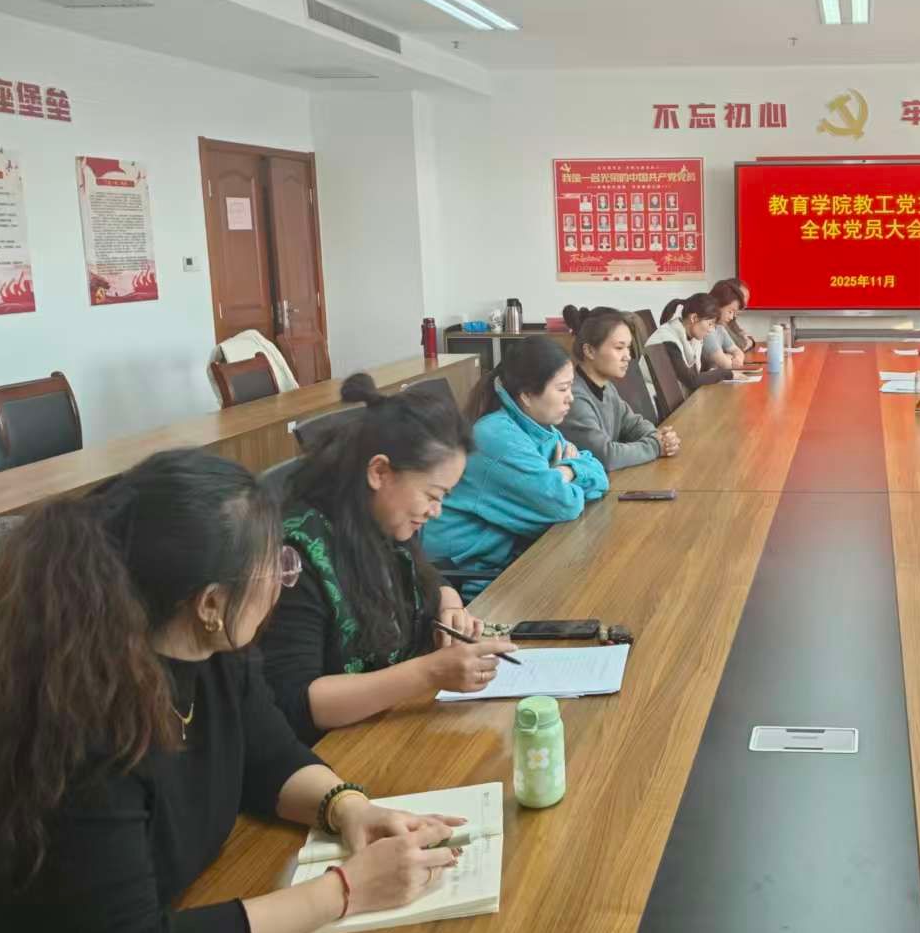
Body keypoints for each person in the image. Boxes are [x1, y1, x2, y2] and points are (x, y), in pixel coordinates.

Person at [0, 451, 464, 933]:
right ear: (211, 603)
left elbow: (268, 756)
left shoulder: (212, 653)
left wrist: (349, 808)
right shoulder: (86, 720)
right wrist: (345, 890)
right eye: (275, 567)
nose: (284, 581)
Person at [259, 374, 518, 743]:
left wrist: (448, 603)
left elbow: (426, 577)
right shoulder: (295, 555)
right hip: (338, 750)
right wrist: (429, 672)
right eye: (432, 495)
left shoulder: (380, 517)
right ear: (380, 472)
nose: (436, 511)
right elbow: (294, 701)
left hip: (394, 725)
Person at [423, 338, 608, 592]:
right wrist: (565, 475)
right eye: (562, 389)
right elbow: (564, 506)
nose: (571, 399)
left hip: (513, 560)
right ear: (527, 396)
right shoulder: (497, 437)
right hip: (472, 578)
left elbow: (598, 472)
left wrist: (564, 470)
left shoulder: (539, 428)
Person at [562, 306, 680, 470]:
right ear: (589, 351)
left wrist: (660, 438)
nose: (628, 356)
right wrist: (656, 446)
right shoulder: (573, 397)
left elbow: (632, 424)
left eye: (628, 347)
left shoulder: (606, 387)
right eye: (619, 348)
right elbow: (606, 456)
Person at [645, 292, 736, 391]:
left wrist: (713, 369)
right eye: (710, 324)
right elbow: (691, 381)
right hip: (655, 398)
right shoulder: (668, 340)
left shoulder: (692, 337)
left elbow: (700, 369)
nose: (711, 330)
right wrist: (727, 373)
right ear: (694, 318)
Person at [701, 280, 749, 371]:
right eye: (730, 311)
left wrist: (736, 358)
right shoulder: (706, 330)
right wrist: (730, 357)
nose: (732, 317)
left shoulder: (719, 328)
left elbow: (738, 351)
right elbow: (725, 364)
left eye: (734, 312)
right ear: (718, 305)